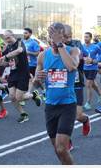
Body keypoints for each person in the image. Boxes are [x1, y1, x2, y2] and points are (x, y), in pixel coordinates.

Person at [34, 23, 79, 165]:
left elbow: (71, 66)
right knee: (57, 150)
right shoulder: (42, 56)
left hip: (67, 105)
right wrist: (37, 79)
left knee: (61, 149)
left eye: (58, 36)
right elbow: (36, 83)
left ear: (64, 38)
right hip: (50, 106)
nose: (53, 39)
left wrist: (60, 45)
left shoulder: (73, 51)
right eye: (52, 36)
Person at [0, 30, 42, 123]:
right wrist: (0, 63)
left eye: (8, 37)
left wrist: (4, 57)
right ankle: (23, 114)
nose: (7, 40)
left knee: (19, 97)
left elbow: (19, 51)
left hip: (23, 73)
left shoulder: (20, 42)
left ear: (12, 35)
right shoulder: (7, 47)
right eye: (5, 38)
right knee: (12, 97)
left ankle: (33, 94)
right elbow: (7, 63)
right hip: (13, 73)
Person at [63, 25, 91, 141]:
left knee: (78, 115)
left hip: (76, 81)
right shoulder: (54, 46)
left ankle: (85, 120)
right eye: (64, 36)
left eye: (68, 36)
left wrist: (87, 59)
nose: (66, 39)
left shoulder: (77, 44)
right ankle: (67, 142)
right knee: (64, 116)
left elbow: (84, 56)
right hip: (61, 84)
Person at [83, 32, 101, 110]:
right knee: (93, 84)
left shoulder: (95, 47)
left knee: (88, 84)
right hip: (85, 68)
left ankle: (88, 103)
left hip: (93, 68)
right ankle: (100, 95)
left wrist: (95, 61)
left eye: (87, 37)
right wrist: (83, 59)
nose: (85, 38)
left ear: (90, 38)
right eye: (84, 37)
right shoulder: (82, 46)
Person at [22, 27, 40, 92]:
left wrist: (28, 52)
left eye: (26, 33)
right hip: (24, 64)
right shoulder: (22, 42)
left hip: (32, 64)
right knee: (26, 79)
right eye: (24, 33)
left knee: (35, 80)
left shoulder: (34, 43)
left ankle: (43, 91)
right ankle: (27, 93)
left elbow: (37, 53)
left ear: (30, 34)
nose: (24, 34)